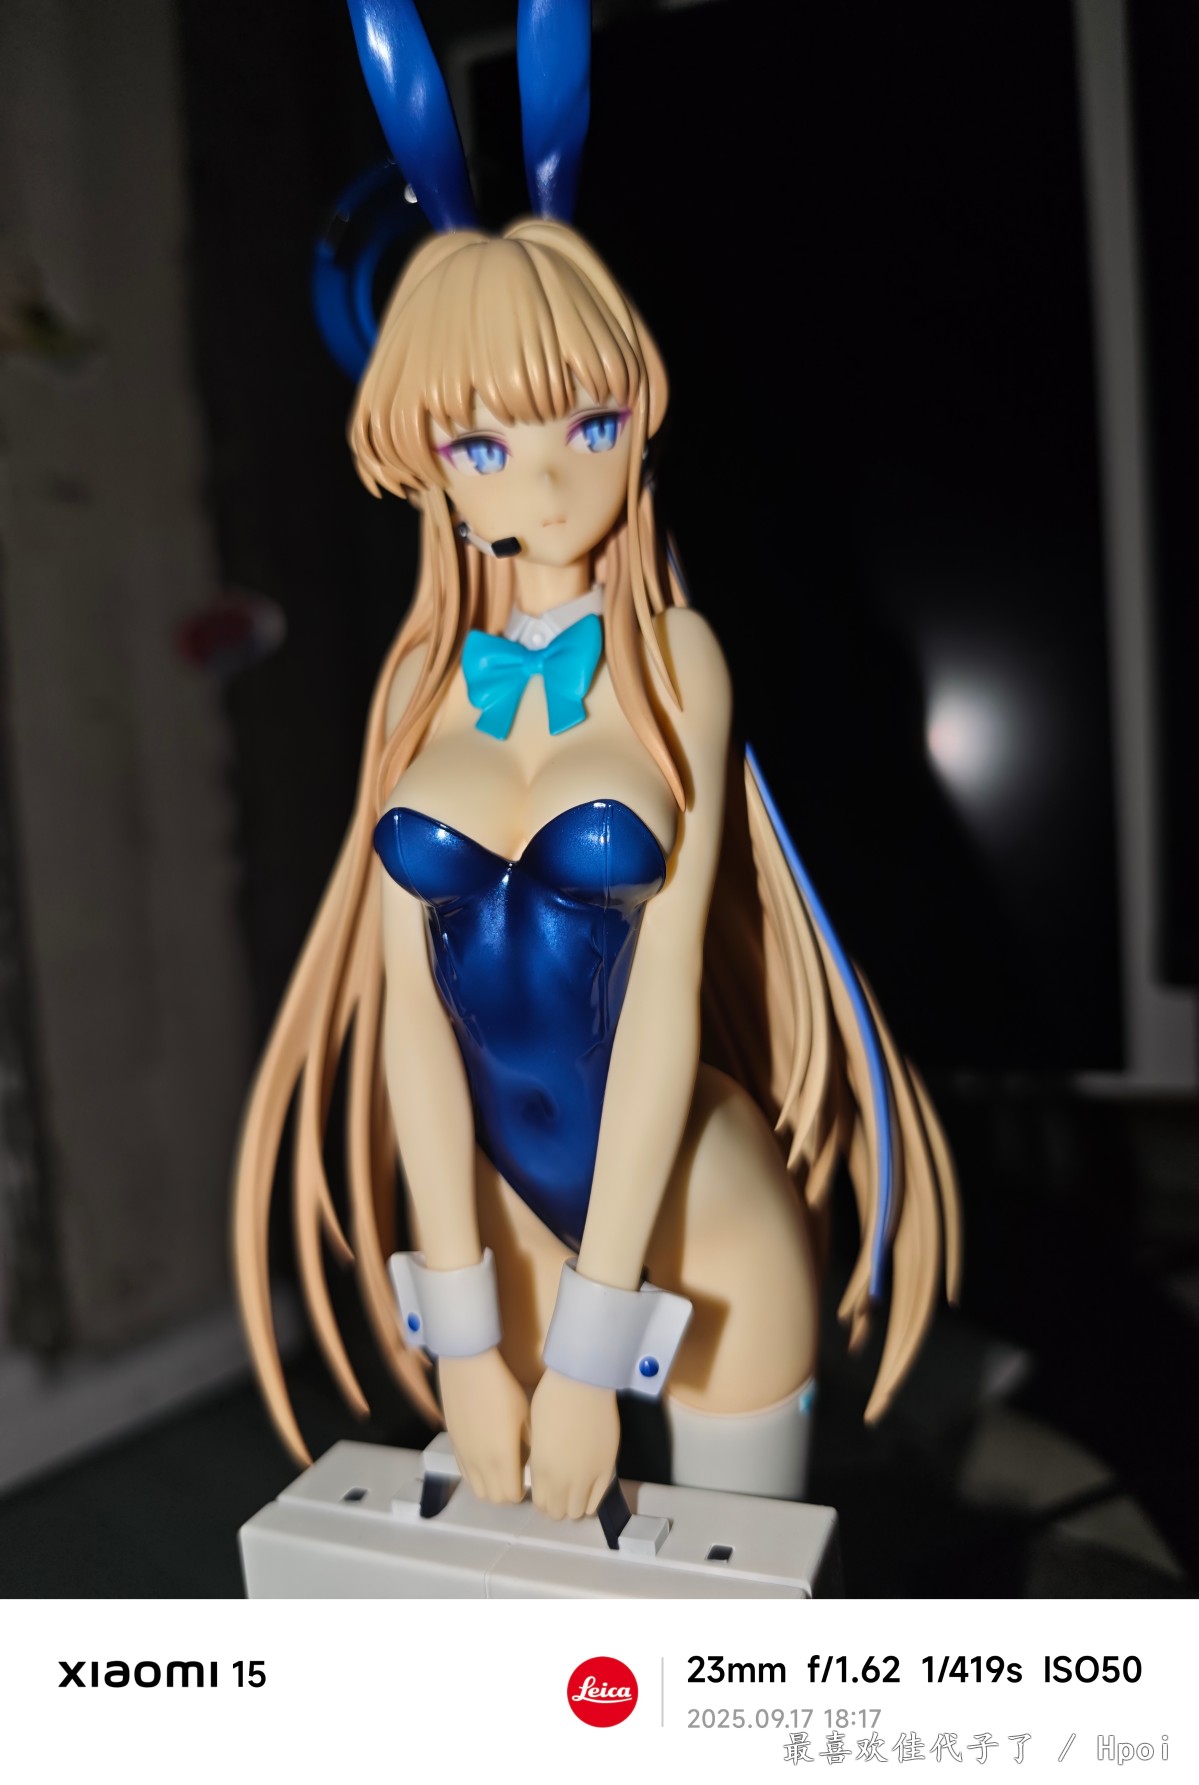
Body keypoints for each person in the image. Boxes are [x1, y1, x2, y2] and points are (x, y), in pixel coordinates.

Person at [233, 216, 960, 1519]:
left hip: (702, 1214)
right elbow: (412, 1024)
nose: (552, 481)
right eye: (484, 446)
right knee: (524, 1599)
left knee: (737, 1603)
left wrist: (590, 1351)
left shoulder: (677, 662)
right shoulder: (416, 682)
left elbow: (663, 998)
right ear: (425, 467)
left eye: (593, 424)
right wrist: (461, 1334)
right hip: (500, 1230)